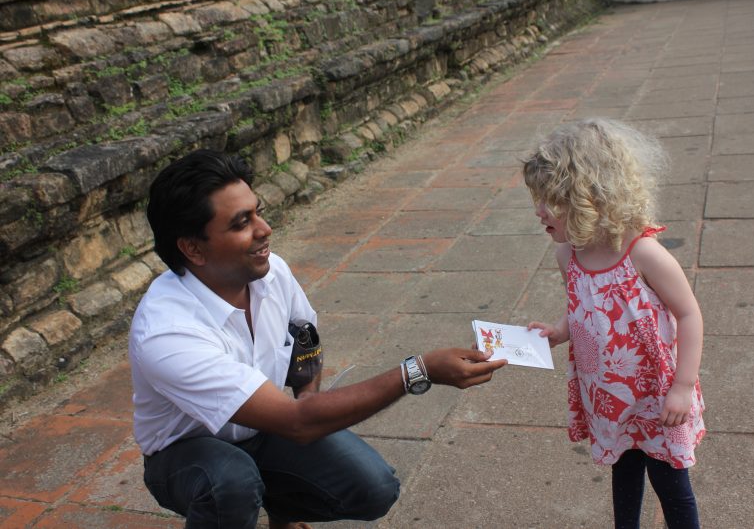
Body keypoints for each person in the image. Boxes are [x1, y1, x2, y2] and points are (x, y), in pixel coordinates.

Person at [129, 149, 507, 529]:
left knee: (374, 487)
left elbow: (305, 340)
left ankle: (283, 513)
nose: (264, 230)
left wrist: (309, 399)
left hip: (264, 429)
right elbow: (297, 422)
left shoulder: (270, 273)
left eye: (258, 211)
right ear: (192, 248)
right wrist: (416, 371)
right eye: (242, 223)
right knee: (231, 481)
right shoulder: (168, 332)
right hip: (185, 453)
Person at [522, 119, 705, 529]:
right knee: (623, 474)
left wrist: (682, 385)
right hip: (608, 396)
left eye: (550, 200)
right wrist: (558, 331)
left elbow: (689, 314)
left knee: (670, 483)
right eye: (537, 198)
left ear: (590, 198)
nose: (538, 211)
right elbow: (584, 307)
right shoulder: (568, 256)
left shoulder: (643, 253)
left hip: (658, 397)